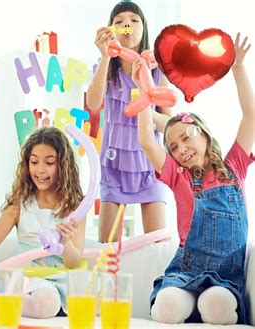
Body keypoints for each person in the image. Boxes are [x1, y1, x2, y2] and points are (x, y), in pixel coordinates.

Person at [136, 34, 253, 324]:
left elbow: (251, 115)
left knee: (217, 307)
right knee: (165, 308)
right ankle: (188, 306)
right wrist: (143, 94)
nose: (181, 149)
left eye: (185, 138)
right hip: (186, 272)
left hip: (226, 276)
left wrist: (238, 68)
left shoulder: (234, 165)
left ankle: (202, 306)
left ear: (202, 132)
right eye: (174, 147)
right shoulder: (180, 178)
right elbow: (148, 144)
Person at [0, 127, 85, 318]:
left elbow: (74, 262)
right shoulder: (20, 205)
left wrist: (65, 242)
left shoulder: (76, 207)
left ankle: (8, 301)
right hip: (29, 281)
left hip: (61, 282)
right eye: (34, 162)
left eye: (49, 162)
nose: (40, 170)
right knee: (46, 302)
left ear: (63, 165)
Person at [86, 1, 170, 242]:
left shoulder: (157, 72)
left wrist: (145, 110)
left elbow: (168, 124)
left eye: (134, 20)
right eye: (120, 21)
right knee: (107, 248)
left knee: (158, 244)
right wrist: (104, 57)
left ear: (144, 28)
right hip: (113, 165)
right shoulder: (105, 69)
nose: (127, 25)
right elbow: (93, 103)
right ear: (112, 30)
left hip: (150, 165)